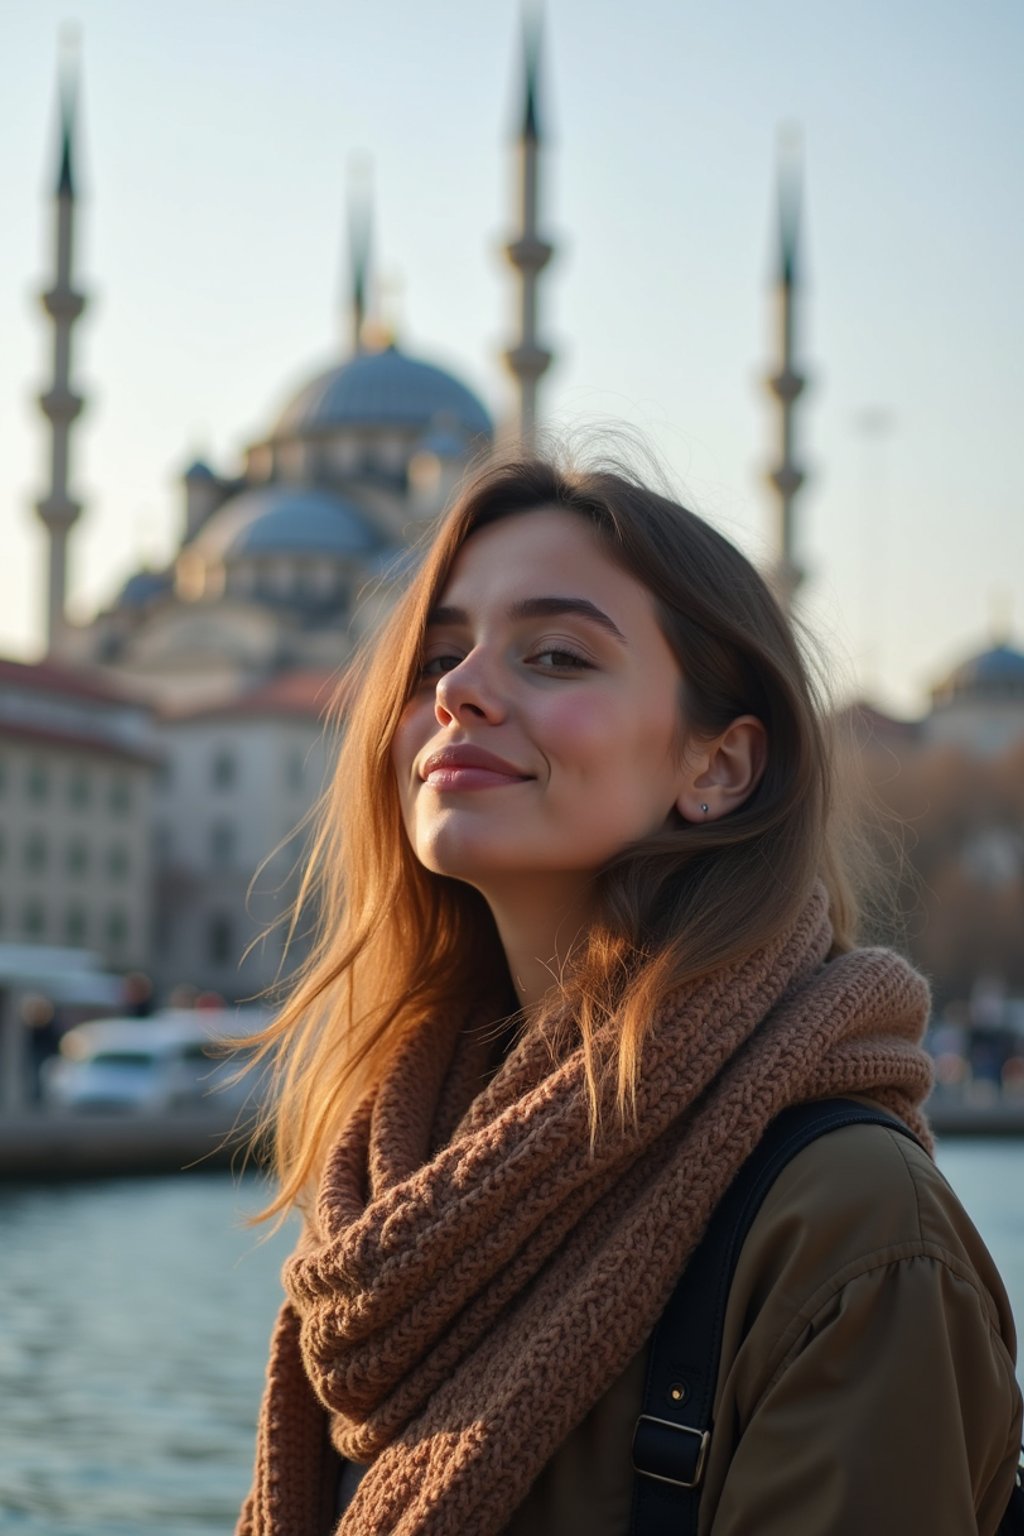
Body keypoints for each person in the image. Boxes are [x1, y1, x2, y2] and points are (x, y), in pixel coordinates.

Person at [237, 454, 1022, 1536]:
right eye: (436, 658)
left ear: (718, 769)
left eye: (554, 656)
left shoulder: (850, 1231)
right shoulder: (391, 1189)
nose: (460, 690)